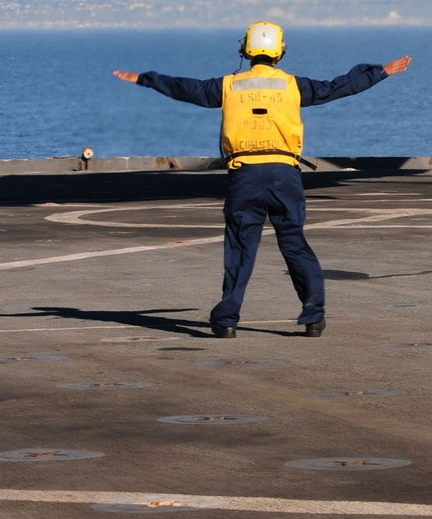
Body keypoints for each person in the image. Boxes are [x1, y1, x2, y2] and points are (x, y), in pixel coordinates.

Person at [114, 24, 411, 339]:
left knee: (240, 248)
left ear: (245, 51)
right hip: (285, 175)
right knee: (295, 244)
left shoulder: (228, 85)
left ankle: (226, 320)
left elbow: (185, 88)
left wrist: (146, 79)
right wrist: (380, 72)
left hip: (245, 177)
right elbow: (337, 87)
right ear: (280, 52)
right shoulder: (294, 86)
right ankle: (313, 317)